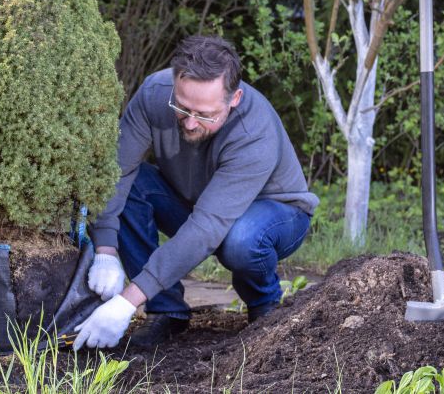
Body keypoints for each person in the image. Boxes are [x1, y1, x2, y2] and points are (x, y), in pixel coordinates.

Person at [73, 35, 319, 350]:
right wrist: (106, 248)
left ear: (235, 98)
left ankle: (264, 307)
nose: (190, 124)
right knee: (133, 185)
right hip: (193, 202)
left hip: (275, 214)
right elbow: (116, 173)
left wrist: (126, 301)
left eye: (204, 114)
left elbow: (207, 227)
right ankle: (167, 311)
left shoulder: (254, 132)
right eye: (182, 107)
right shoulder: (154, 94)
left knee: (240, 240)